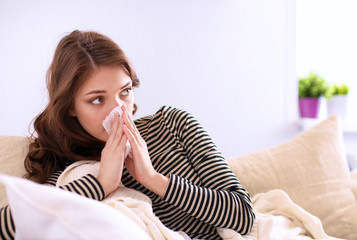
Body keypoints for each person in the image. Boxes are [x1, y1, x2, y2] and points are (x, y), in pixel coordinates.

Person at [0, 30, 255, 240]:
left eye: (125, 91)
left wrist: (153, 178)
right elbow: (6, 227)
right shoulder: (71, 172)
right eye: (98, 99)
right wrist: (101, 184)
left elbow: (243, 217)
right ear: (71, 107)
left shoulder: (172, 124)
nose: (118, 110)